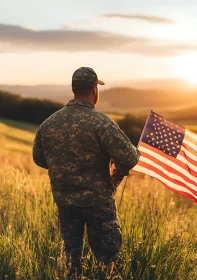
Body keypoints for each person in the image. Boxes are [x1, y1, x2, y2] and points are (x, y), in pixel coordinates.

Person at [32, 67, 140, 277]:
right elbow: (130, 157)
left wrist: (63, 167)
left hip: (66, 203)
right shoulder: (101, 123)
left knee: (70, 262)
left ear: (73, 89)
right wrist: (115, 175)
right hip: (97, 203)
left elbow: (39, 158)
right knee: (104, 262)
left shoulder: (49, 124)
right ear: (94, 90)